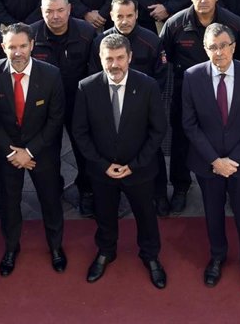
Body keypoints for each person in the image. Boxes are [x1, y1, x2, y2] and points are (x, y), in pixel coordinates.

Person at [72, 33, 168, 288]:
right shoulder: (86, 87)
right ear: (100, 58)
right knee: (104, 215)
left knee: (146, 216)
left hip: (139, 170)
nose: (114, 64)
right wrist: (102, 165)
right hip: (102, 171)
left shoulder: (147, 85)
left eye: (120, 58)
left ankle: (150, 256)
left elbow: (158, 130)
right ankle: (106, 251)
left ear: (130, 57)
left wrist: (134, 164)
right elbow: (80, 132)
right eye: (109, 59)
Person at [182, 24, 240, 297]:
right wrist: (215, 161)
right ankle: (217, 257)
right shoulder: (192, 76)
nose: (218, 52)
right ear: (204, 49)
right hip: (207, 164)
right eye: (212, 47)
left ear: (233, 46)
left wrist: (233, 160)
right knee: (213, 212)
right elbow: (190, 124)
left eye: (223, 46)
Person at [0, 23, 67, 276]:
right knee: (9, 203)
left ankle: (56, 246)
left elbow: (55, 119)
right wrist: (13, 152)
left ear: (32, 45)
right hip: (7, 153)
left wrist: (29, 152)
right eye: (12, 47)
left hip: (42, 152)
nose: (17, 52)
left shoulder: (51, 74)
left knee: (50, 200)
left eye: (22, 46)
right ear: (3, 47)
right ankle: (10, 248)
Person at [158, 0, 240, 213]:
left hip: (224, 92)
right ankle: (181, 186)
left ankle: (230, 183)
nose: (204, 0)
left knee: (228, 138)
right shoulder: (174, 25)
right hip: (185, 94)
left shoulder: (233, 23)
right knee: (181, 141)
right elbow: (163, 58)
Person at [29, 0, 98, 212]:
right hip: (44, 107)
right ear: (41, 11)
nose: (55, 16)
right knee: (47, 153)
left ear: (69, 9)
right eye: (49, 11)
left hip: (77, 102)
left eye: (60, 10)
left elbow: (95, 72)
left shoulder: (87, 33)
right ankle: (53, 190)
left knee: (84, 150)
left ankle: (87, 190)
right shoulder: (30, 35)